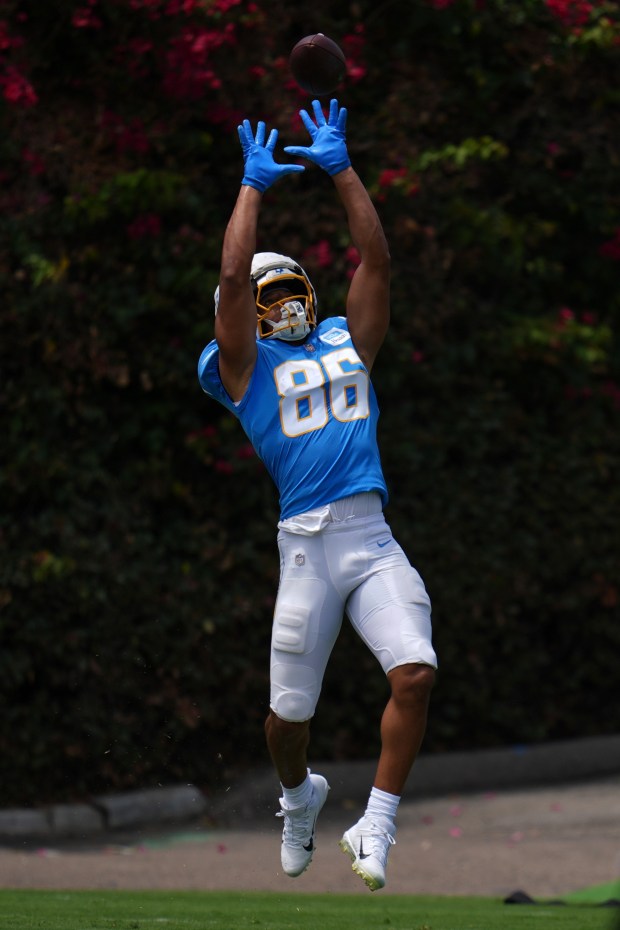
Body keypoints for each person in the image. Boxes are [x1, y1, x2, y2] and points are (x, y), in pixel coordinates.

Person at [198, 98, 437, 892]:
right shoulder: (242, 370)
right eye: (270, 294)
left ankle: (377, 823)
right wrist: (251, 189)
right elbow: (234, 274)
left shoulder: (346, 336)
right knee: (288, 721)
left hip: (371, 538)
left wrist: (340, 168)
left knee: (415, 672)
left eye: (290, 283)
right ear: (248, 318)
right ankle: (300, 798)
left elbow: (376, 259)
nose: (285, 298)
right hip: (305, 544)